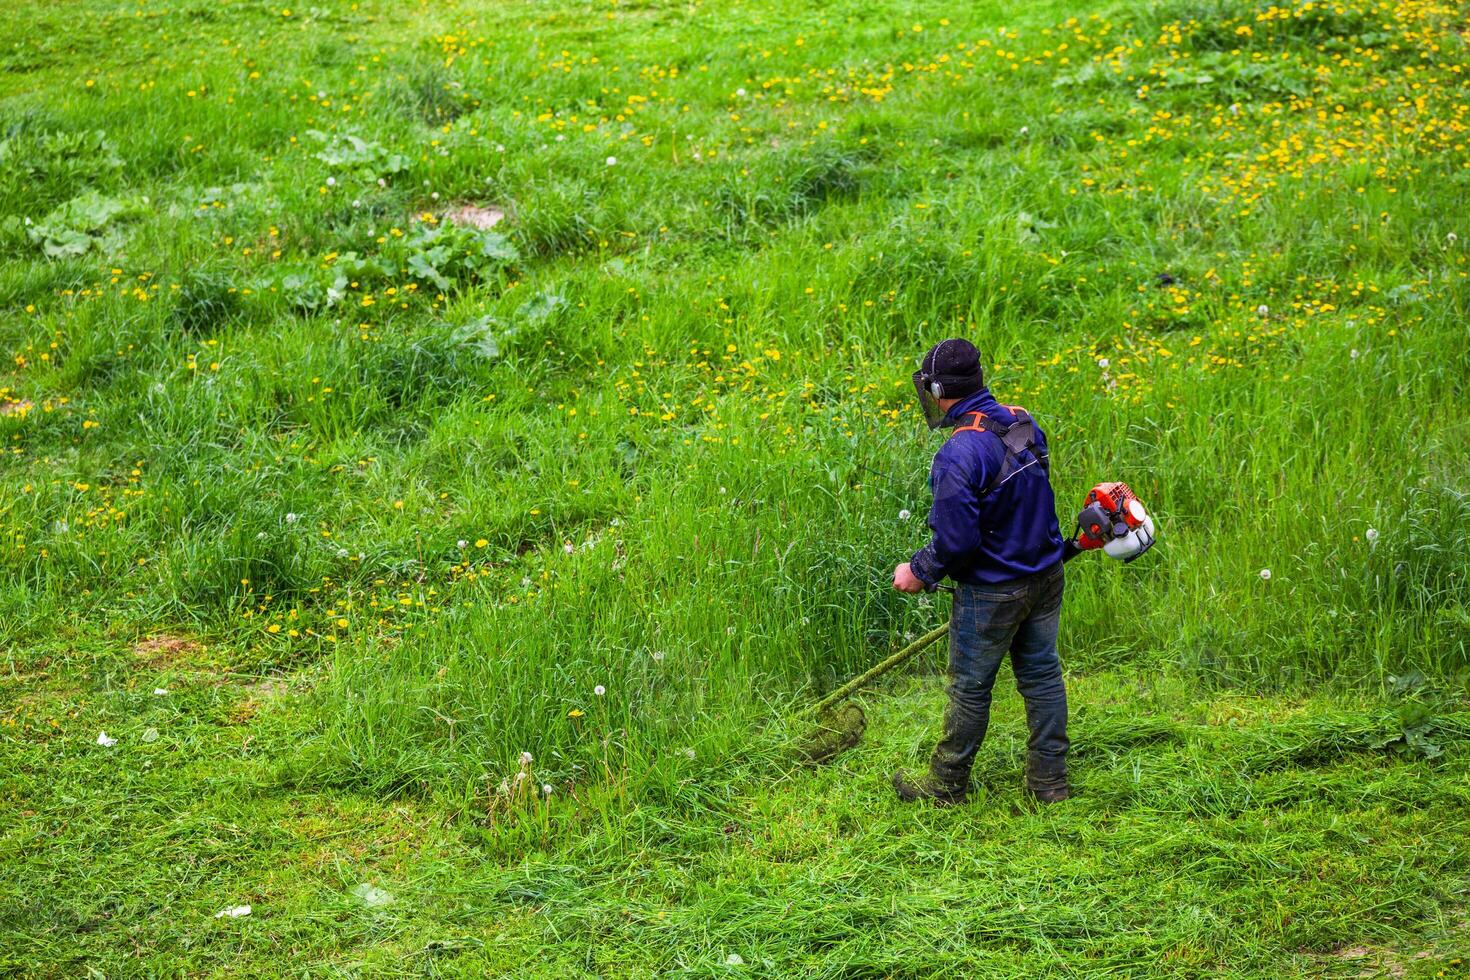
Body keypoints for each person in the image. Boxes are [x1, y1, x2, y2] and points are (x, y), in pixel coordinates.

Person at [891, 338, 1071, 805]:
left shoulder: (958, 454)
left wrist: (918, 570)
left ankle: (946, 784)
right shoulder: (1021, 421)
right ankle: (1049, 783)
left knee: (970, 689)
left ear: (935, 389)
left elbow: (957, 541)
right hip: (1046, 575)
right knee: (1041, 674)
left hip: (993, 590)